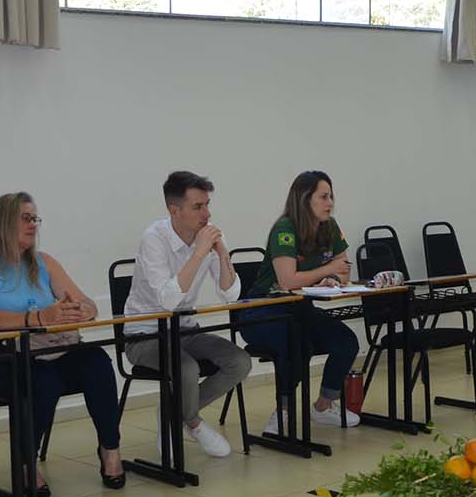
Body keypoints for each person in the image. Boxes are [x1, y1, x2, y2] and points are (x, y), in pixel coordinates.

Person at [0, 193, 125, 493]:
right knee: (43, 380)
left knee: (97, 361)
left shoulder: (43, 262)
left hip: (48, 346)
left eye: (35, 218)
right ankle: (25, 462)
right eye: (25, 218)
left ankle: (109, 448)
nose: (33, 224)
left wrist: (80, 310)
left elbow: (87, 304)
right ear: (2, 223)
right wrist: (35, 318)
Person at [125, 172, 251, 458]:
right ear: (174, 210)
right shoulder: (153, 239)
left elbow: (230, 296)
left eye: (207, 205)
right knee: (187, 368)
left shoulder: (209, 237)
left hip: (185, 331)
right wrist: (199, 253)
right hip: (144, 335)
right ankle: (192, 421)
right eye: (198, 207)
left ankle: (174, 411)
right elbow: (168, 300)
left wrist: (221, 254)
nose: (207, 214)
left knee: (239, 362)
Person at [239, 170, 360, 431]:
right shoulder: (285, 228)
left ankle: (324, 405)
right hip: (262, 310)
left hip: (298, 307)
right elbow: (287, 281)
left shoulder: (329, 226)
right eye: (323, 196)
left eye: (331, 197)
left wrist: (329, 280)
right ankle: (282, 412)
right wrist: (327, 271)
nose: (330, 203)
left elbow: (344, 267)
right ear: (305, 199)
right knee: (297, 344)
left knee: (346, 341)